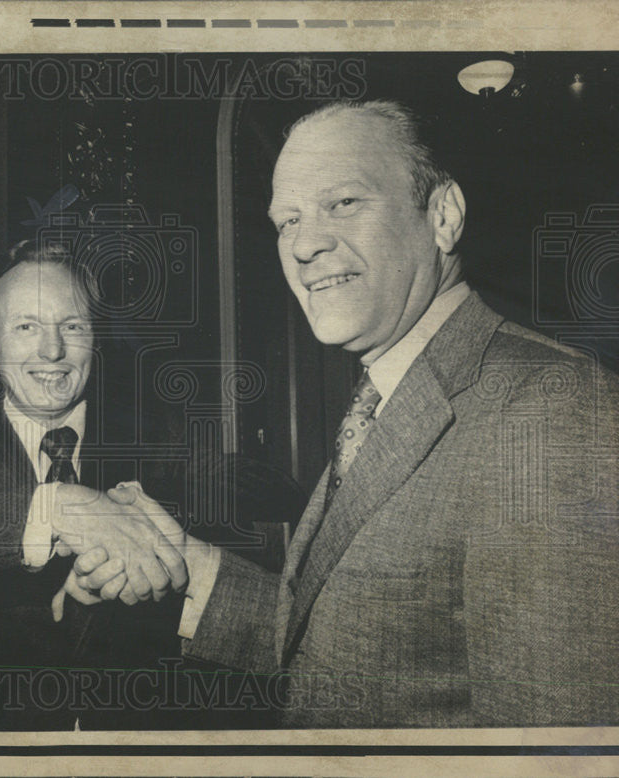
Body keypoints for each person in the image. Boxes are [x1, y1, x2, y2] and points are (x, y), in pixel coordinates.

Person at [67, 100, 619, 728]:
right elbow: (346, 651)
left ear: (442, 215)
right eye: (286, 221)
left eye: (344, 203)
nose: (304, 244)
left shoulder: (549, 411)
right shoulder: (389, 389)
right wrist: (186, 562)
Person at [0, 239, 301, 730]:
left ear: (95, 337)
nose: (52, 350)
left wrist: (145, 527)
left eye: (71, 326)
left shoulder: (157, 438)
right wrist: (53, 508)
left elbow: (275, 489)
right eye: (26, 326)